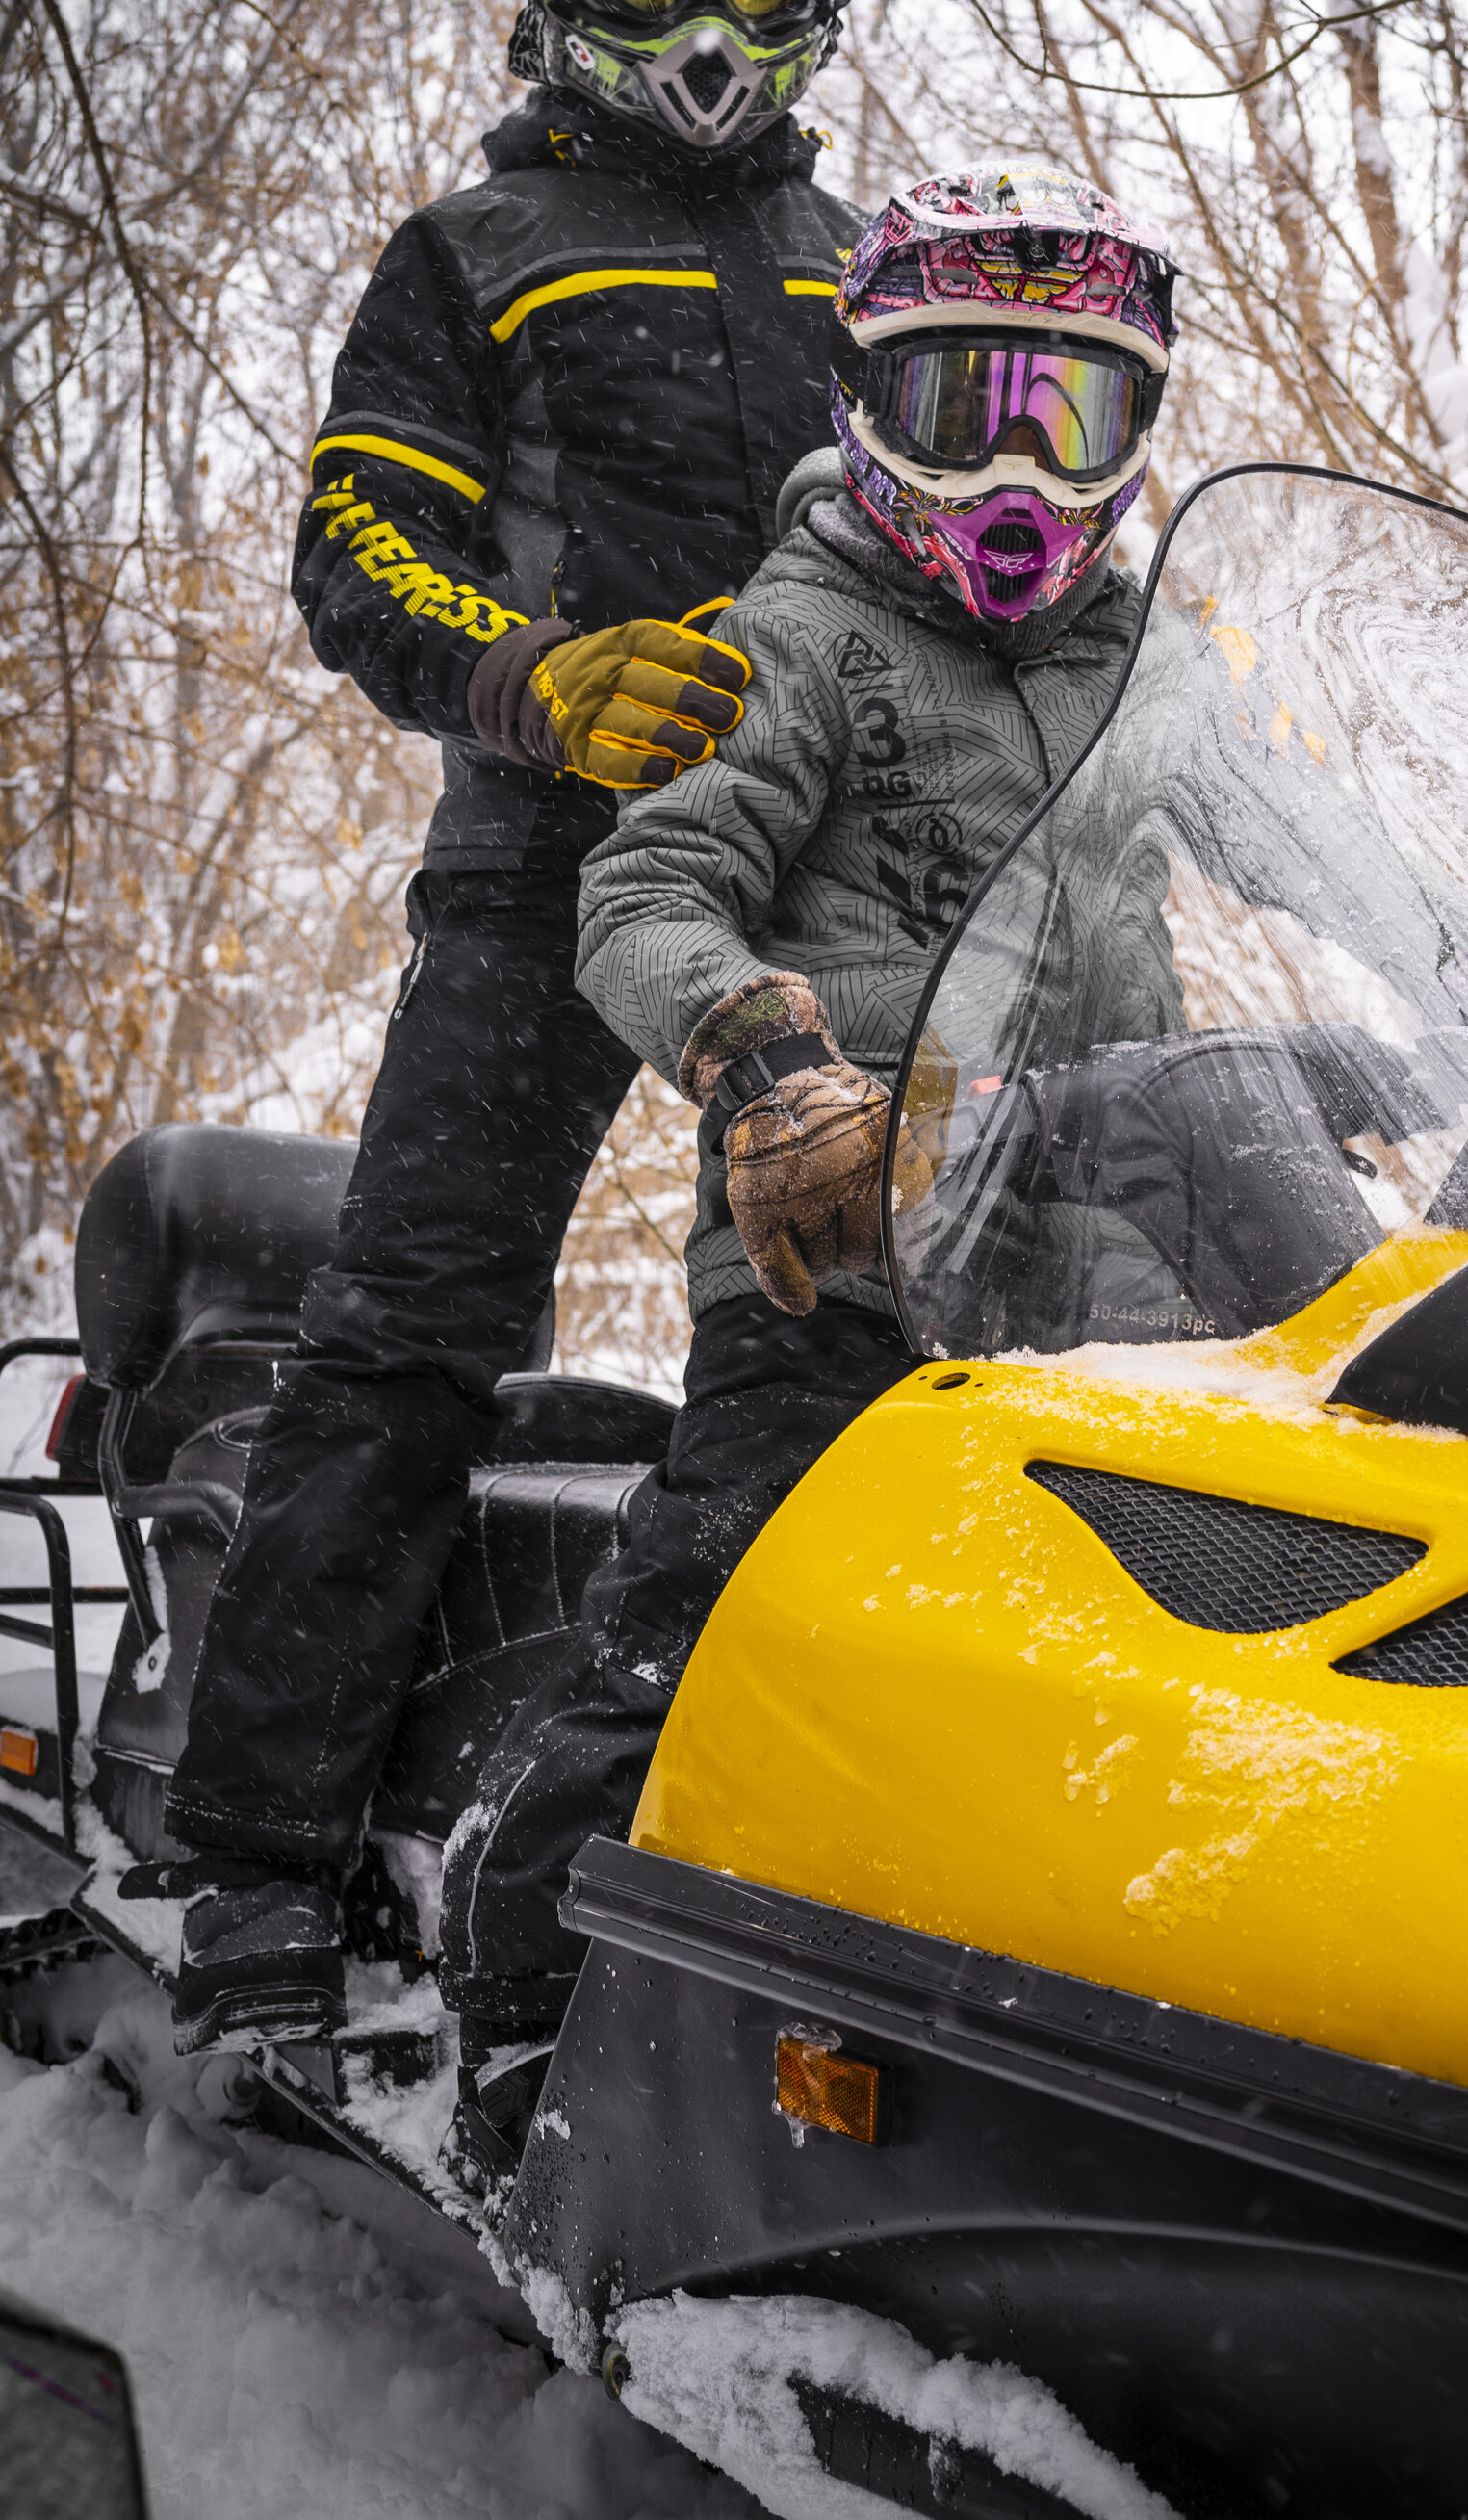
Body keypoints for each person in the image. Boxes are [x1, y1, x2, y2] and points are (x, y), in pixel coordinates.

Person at [147, 0, 866, 2057]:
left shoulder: (871, 271)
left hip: (824, 895)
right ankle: (251, 1862)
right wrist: (531, 677)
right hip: (541, 863)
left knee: (844, 1342)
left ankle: (718, 1854)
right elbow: (353, 547)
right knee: (410, 1328)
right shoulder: (476, 254)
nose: (703, 19)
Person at [434, 162, 1180, 2186]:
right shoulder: (798, 634)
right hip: (844, 1259)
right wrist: (763, 1056)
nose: (1017, 463)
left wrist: (1464, 991)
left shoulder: (1147, 675)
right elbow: (647, 882)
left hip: (1114, 1302)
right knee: (715, 1631)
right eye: (964, 407)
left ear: (1139, 441)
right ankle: (512, 2012)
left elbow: (1335, 870)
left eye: (1071, 411)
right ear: (867, 414)